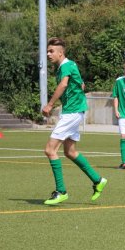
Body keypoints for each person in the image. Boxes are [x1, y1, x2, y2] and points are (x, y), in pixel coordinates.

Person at [42, 37, 107, 205]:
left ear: (61, 52)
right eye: (47, 51)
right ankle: (98, 180)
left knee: (50, 150)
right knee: (70, 152)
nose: (48, 54)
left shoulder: (66, 66)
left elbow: (63, 85)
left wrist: (50, 104)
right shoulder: (69, 66)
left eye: (51, 51)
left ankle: (61, 191)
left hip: (72, 113)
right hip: (75, 111)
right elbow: (81, 84)